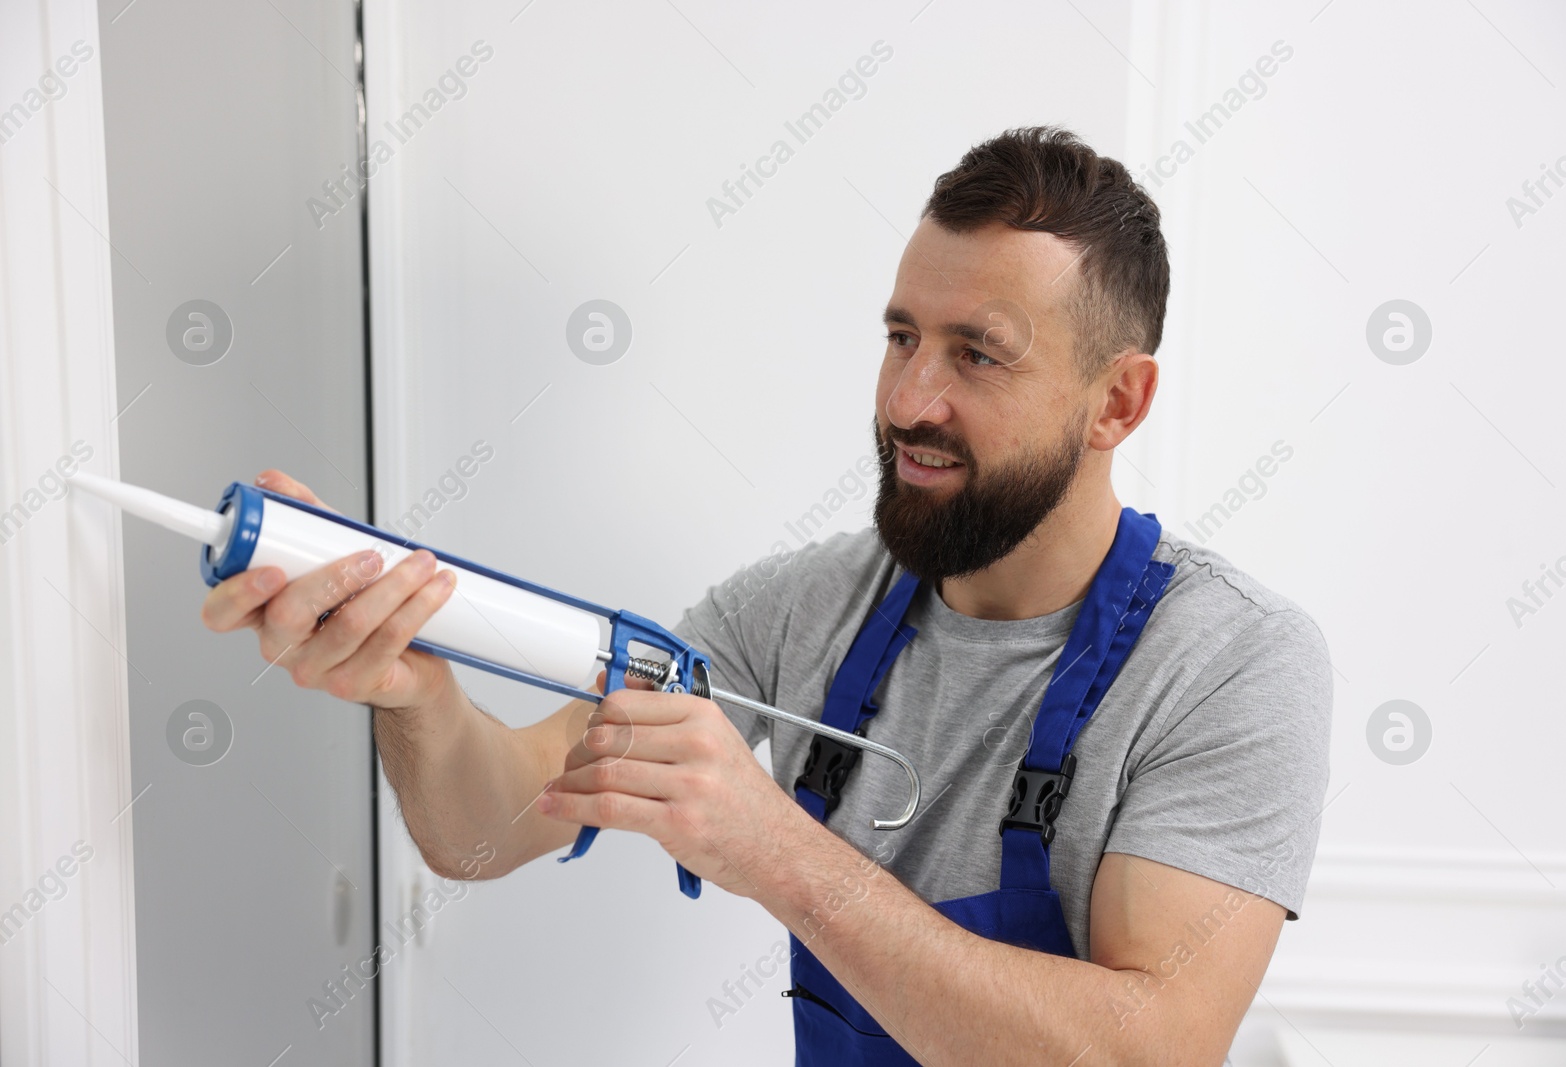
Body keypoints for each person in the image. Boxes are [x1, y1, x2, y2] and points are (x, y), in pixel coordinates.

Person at [201, 126, 1331, 1066]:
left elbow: (1152, 1049)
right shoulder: (799, 610)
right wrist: (412, 693)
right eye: (900, 336)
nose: (908, 399)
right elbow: (488, 825)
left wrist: (773, 847)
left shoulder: (1229, 661)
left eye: (976, 354)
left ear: (1117, 403)